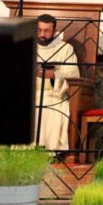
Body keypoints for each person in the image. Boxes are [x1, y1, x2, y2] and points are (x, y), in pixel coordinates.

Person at [35, 14, 79, 151]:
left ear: (54, 31)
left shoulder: (65, 49)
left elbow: (73, 74)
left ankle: (43, 151)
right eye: (39, 30)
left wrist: (53, 75)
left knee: (46, 106)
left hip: (53, 95)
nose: (42, 34)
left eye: (47, 31)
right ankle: (13, 151)